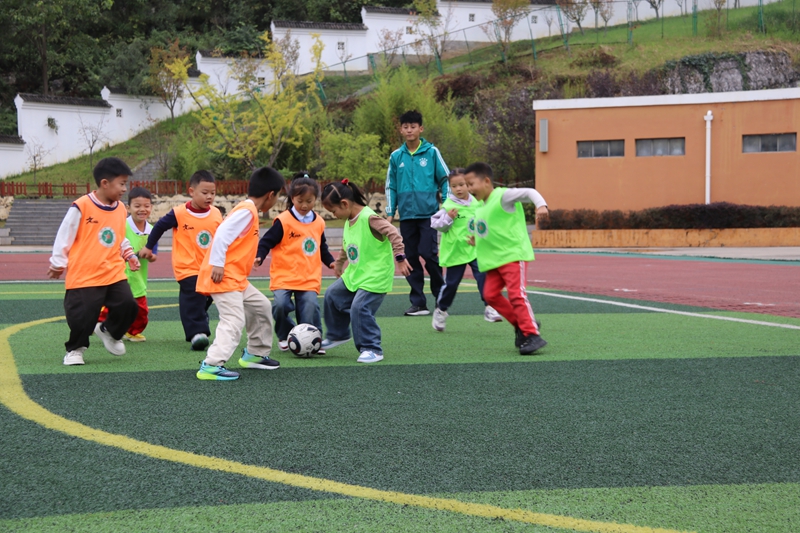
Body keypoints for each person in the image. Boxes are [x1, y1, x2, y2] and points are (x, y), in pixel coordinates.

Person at [194, 166, 285, 381]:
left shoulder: (248, 211)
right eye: (279, 196)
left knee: (261, 306)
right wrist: (217, 263)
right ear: (271, 195)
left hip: (236, 278)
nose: (277, 200)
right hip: (224, 277)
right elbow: (222, 234)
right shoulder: (247, 210)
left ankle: (255, 354)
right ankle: (211, 365)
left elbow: (235, 242)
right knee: (233, 319)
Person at [48, 157, 140, 366]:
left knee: (128, 305)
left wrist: (129, 254)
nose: (125, 189)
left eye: (126, 183)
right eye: (121, 183)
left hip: (113, 272)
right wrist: (58, 263)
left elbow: (119, 236)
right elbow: (65, 235)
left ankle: (109, 330)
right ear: (105, 183)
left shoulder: (120, 209)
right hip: (85, 274)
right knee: (82, 316)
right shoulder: (81, 206)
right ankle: (75, 350)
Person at [320, 180, 412, 364]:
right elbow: (348, 247)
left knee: (359, 307)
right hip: (356, 273)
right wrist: (339, 264)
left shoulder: (370, 218)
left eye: (334, 211)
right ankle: (338, 335)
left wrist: (400, 258)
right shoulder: (349, 221)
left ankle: (372, 348)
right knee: (331, 295)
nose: (334, 215)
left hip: (375, 275)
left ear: (345, 204)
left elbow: (394, 233)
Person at [464, 162, 550, 355]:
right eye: (466, 185)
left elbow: (529, 192)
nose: (469, 189)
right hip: (494, 261)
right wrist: (476, 239)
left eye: (471, 184)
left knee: (516, 294)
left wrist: (541, 205)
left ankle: (532, 334)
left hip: (512, 256)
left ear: (486, 181)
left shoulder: (503, 195)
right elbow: (490, 229)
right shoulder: (480, 207)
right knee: (490, 295)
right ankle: (522, 325)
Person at [140, 170, 222, 351]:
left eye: (213, 193)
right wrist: (148, 246)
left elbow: (223, 238)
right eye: (205, 193)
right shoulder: (179, 213)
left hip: (209, 267)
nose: (209, 197)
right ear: (191, 191)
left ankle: (198, 317)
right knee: (193, 295)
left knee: (206, 297)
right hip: (187, 267)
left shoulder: (216, 214)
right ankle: (197, 333)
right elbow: (160, 226)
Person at [254, 173, 336, 353]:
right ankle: (286, 335)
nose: (305, 205)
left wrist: (330, 262)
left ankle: (314, 339)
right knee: (281, 306)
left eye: (309, 200)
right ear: (292, 198)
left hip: (308, 276)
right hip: (284, 275)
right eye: (300, 201)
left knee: (309, 306)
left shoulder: (319, 222)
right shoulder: (283, 221)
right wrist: (259, 255)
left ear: (316, 199)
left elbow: (322, 248)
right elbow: (266, 241)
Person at [385, 109, 449, 317]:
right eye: (406, 126)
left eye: (413, 126)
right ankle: (418, 302)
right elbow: (391, 186)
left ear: (420, 129)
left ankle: (441, 299)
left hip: (429, 214)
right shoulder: (396, 156)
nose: (409, 130)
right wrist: (390, 212)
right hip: (406, 216)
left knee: (429, 254)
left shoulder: (432, 152)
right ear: (401, 130)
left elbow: (445, 178)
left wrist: (447, 206)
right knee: (410, 257)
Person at [430, 168, 502, 332]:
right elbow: (436, 225)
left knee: (483, 276)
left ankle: (489, 307)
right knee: (451, 285)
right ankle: (441, 310)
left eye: (462, 184)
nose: (459, 189)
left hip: (476, 249)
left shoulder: (479, 202)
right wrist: (448, 218)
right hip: (456, 251)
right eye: (454, 186)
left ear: (468, 184)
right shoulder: (448, 205)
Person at [98, 187, 157, 341]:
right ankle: (98, 324)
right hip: (119, 276)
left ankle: (132, 331)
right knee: (113, 307)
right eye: (137, 206)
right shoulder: (121, 226)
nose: (142, 209)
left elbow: (153, 255)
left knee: (141, 311)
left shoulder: (152, 230)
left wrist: (150, 256)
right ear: (128, 208)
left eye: (146, 206)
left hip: (138, 277)